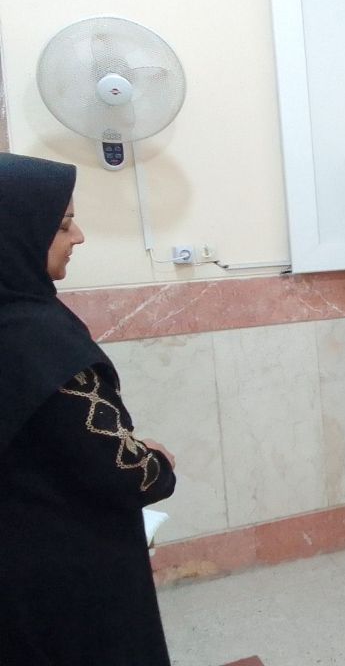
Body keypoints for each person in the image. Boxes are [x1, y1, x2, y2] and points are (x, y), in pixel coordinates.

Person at [0, 153, 178, 664]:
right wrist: (156, 461)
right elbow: (124, 473)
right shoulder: (34, 338)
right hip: (67, 573)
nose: (77, 237)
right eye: (62, 225)